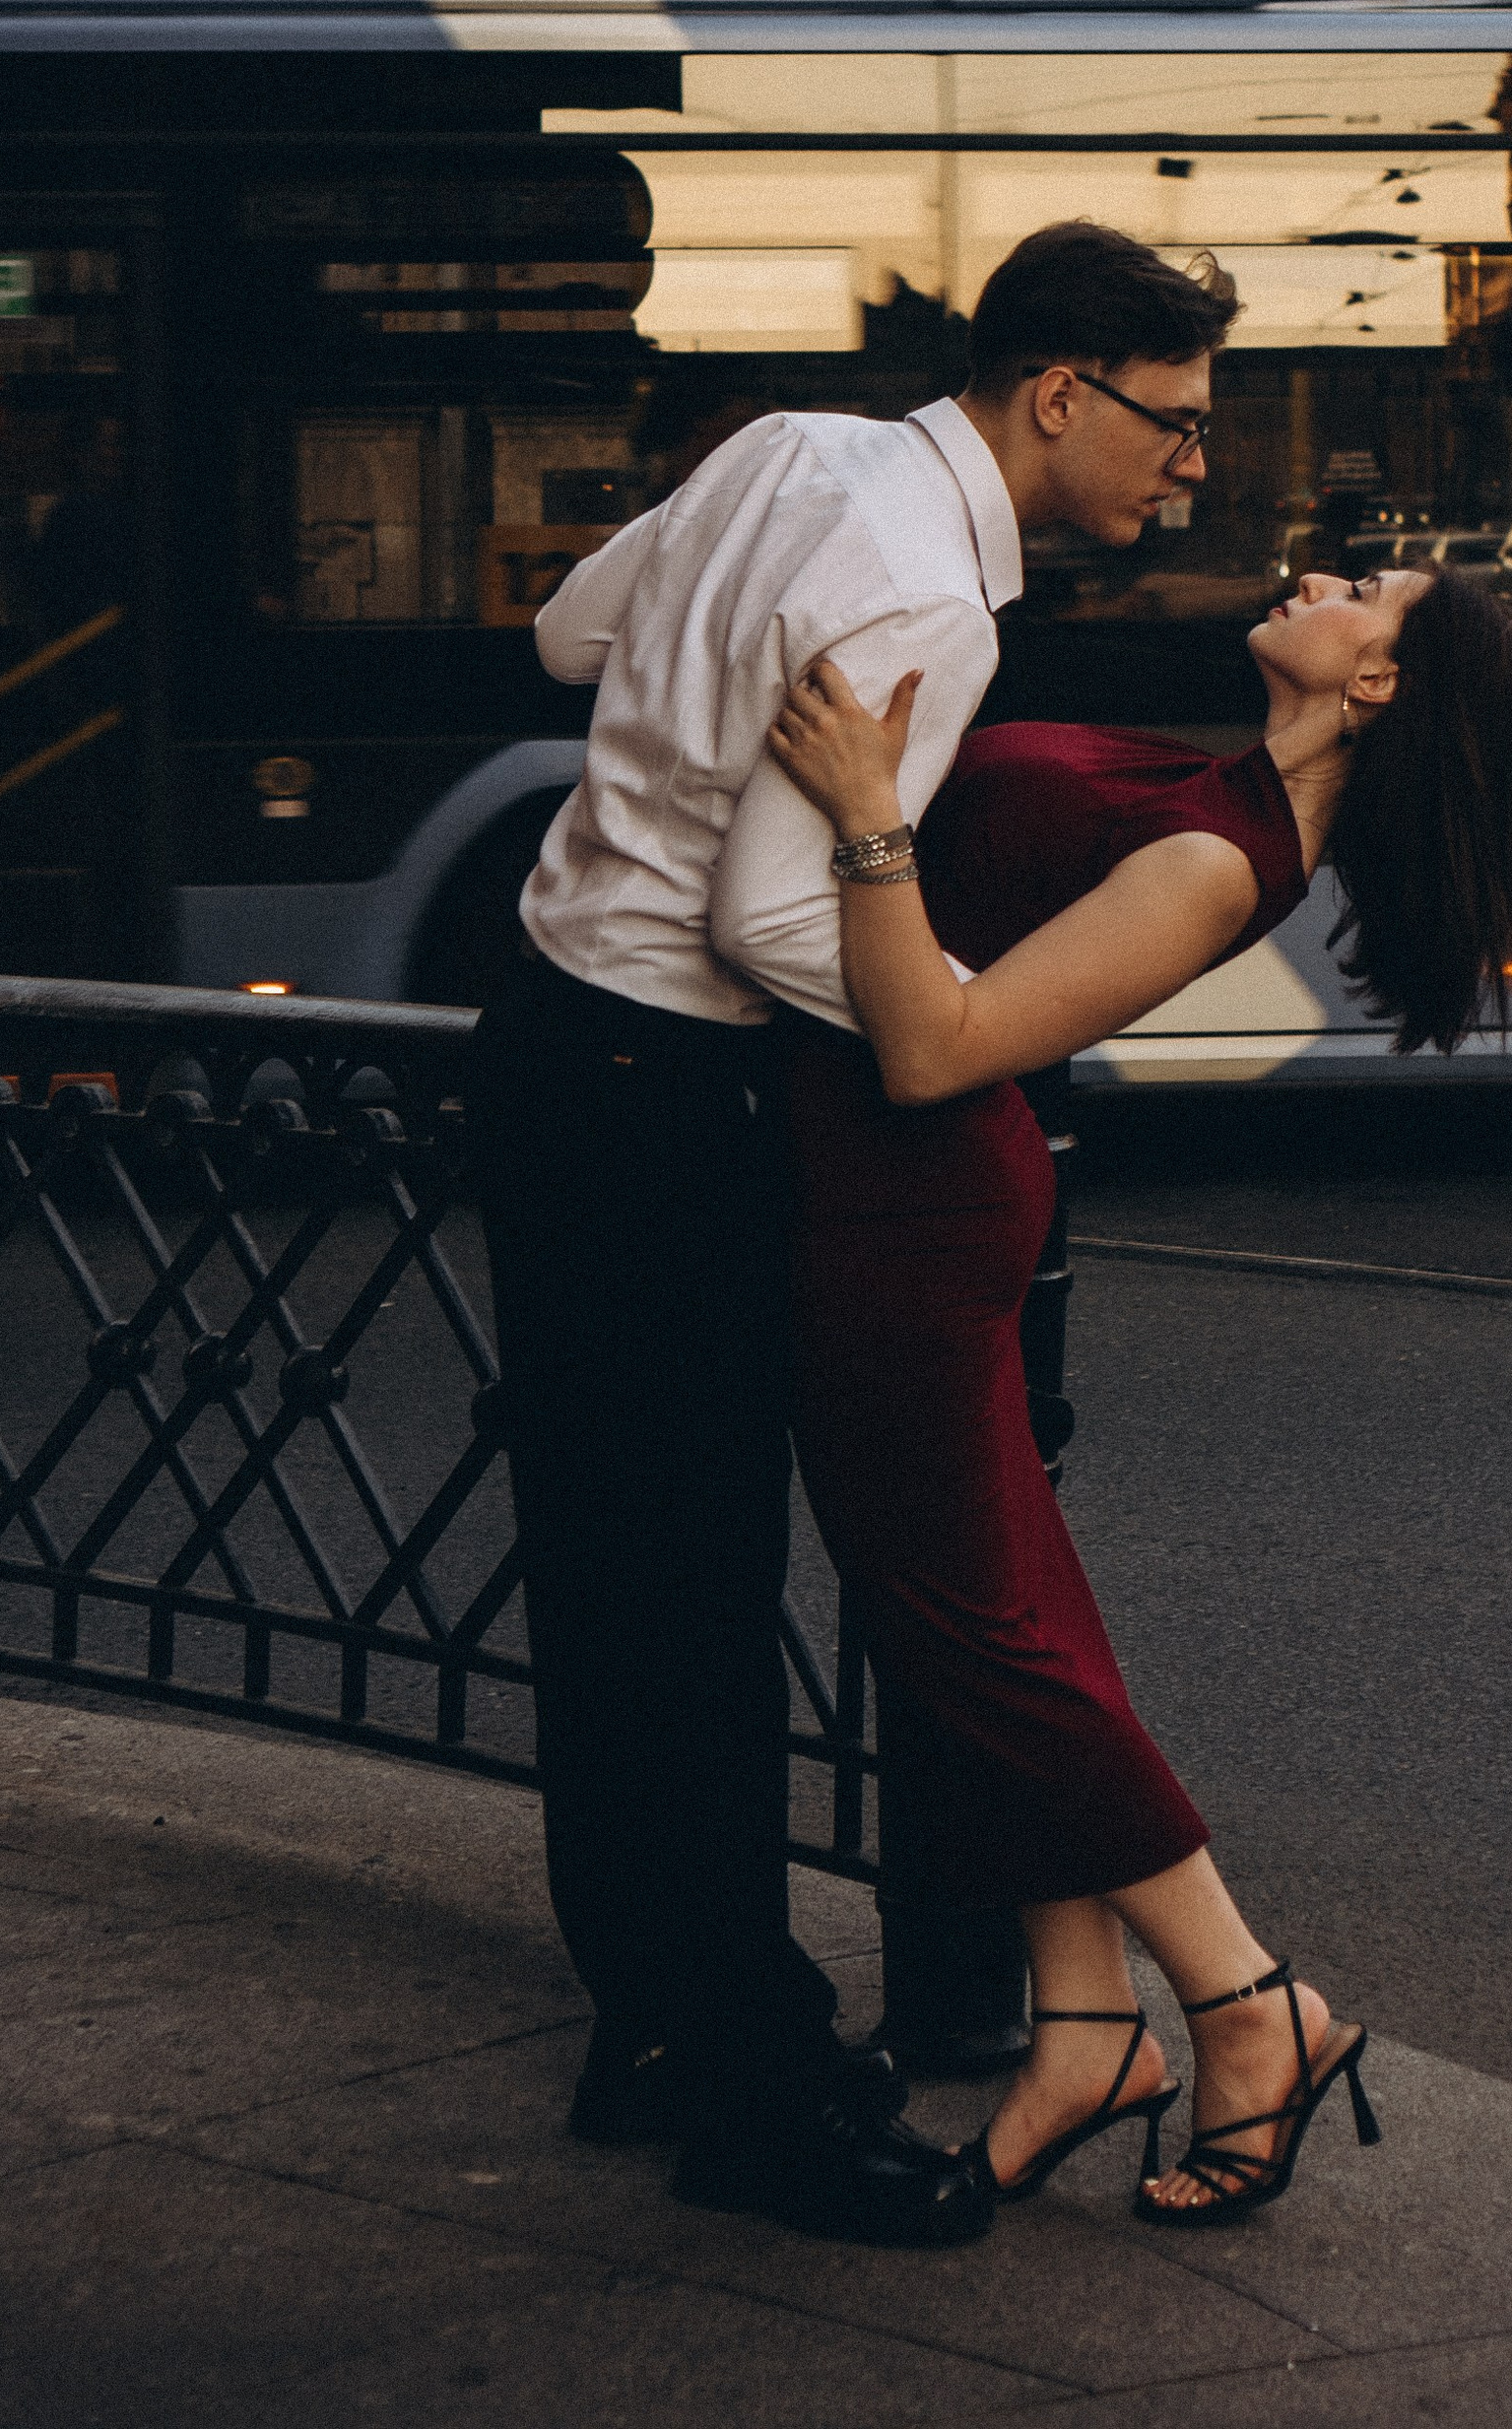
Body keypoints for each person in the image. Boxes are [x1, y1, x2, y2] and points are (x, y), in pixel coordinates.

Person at [463, 221, 1241, 2248]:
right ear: (1057, 394)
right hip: (663, 1084)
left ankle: (653, 2029)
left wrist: (701, 695)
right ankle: (753, 2091)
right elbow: (766, 921)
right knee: (701, 1600)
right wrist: (965, 1018)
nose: (1192, 467)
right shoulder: (926, 591)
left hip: (544, 1035)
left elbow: (568, 633)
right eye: (1172, 423)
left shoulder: (795, 448)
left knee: (620, 1584)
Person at [746, 557, 1512, 2223]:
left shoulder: (1215, 858)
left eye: (1370, 587)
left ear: (1378, 683)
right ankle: (1089, 2024)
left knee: (976, 1638)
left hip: (910, 1215)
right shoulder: (1210, 787)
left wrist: (868, 816)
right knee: (998, 1621)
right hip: (890, 1204)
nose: (1320, 573)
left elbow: (937, 1049)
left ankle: (1250, 2006)